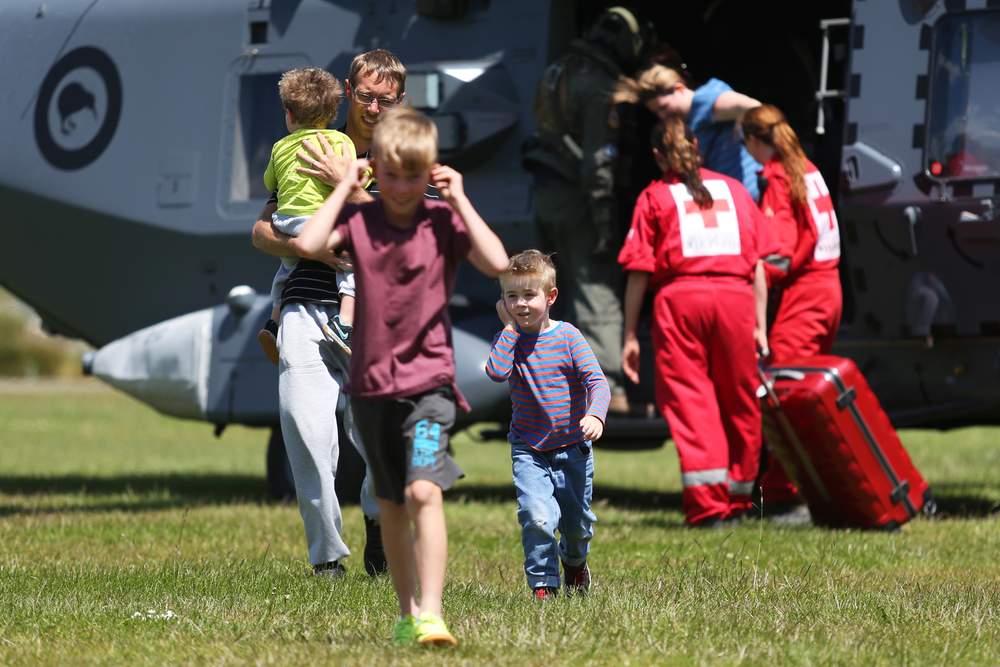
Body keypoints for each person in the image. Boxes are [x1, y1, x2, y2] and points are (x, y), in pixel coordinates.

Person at [293, 108, 508, 647]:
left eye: (415, 175)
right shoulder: (360, 223)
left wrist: (459, 197)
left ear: (430, 170)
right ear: (375, 171)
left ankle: (433, 613)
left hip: (430, 387)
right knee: (390, 501)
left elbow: (498, 261)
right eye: (392, 175)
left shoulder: (442, 223)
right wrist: (343, 187)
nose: (404, 187)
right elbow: (306, 244)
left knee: (424, 490)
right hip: (370, 390)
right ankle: (408, 611)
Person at [250, 49, 409, 580]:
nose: (373, 106)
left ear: (400, 102)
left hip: (378, 317)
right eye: (365, 95)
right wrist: (313, 249)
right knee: (304, 426)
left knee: (380, 442)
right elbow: (262, 230)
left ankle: (377, 523)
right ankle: (326, 558)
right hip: (305, 301)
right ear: (348, 92)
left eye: (385, 99)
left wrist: (353, 187)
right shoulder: (312, 143)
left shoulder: (411, 158)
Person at [619, 116, 772, 527]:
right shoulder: (738, 191)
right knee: (739, 397)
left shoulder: (654, 197)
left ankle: (708, 507)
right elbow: (758, 264)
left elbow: (639, 270)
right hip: (736, 299)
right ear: (698, 147)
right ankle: (740, 498)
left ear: (656, 156)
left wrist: (630, 333)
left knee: (691, 399)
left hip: (680, 300)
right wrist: (759, 324)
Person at [522, 6, 652, 414]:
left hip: (545, 191)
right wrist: (603, 220)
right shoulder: (600, 85)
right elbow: (598, 163)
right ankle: (608, 389)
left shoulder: (557, 71)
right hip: (579, 198)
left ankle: (550, 383)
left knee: (552, 291)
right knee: (597, 286)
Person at [485, 250, 610, 600]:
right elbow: (495, 372)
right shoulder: (508, 341)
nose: (521, 304)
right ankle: (544, 585)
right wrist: (509, 328)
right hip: (530, 449)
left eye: (529, 295)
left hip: (572, 448)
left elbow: (597, 383)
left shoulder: (568, 337)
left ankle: (574, 564)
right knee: (536, 516)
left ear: (550, 296)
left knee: (577, 526)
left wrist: (595, 414)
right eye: (512, 296)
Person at [740, 104, 843, 516]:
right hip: (828, 290)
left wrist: (750, 285)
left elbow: (778, 255)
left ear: (752, 141)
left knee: (780, 393)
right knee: (799, 393)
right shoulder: (806, 166)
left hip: (808, 295)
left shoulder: (779, 178)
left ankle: (782, 497)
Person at [256, 67, 357, 364]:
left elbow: (269, 183)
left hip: (286, 223)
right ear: (333, 113)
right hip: (320, 224)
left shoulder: (279, 147)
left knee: (286, 272)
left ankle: (274, 322)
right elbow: (353, 182)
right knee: (352, 270)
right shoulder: (341, 143)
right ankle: (345, 324)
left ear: (289, 113)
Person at [636, 64, 763, 200]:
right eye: (656, 112)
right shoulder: (688, 121)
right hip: (737, 199)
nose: (662, 116)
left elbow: (753, 107)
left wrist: (741, 132)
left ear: (679, 89)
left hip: (754, 193)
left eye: (664, 107)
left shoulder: (704, 100)